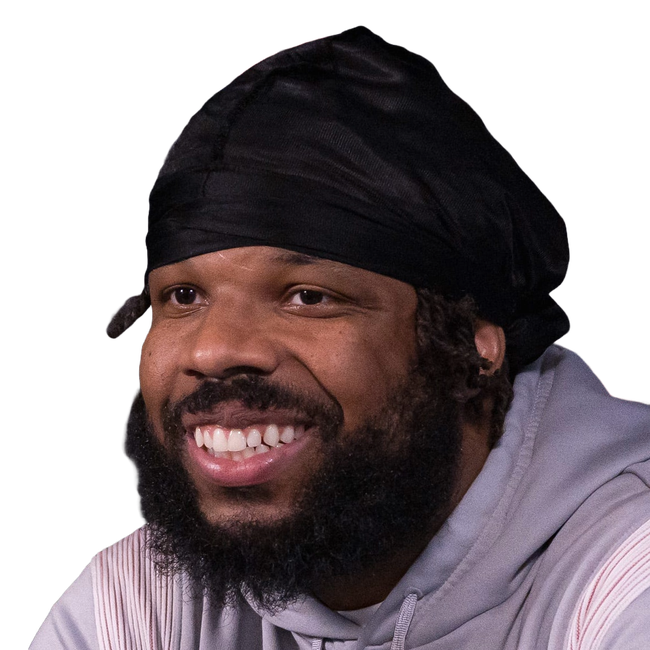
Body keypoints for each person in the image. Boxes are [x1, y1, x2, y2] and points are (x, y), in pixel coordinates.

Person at [30, 26, 649, 650]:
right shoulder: (143, 606)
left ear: (473, 346)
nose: (212, 350)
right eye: (184, 297)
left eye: (308, 297)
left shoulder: (628, 575)